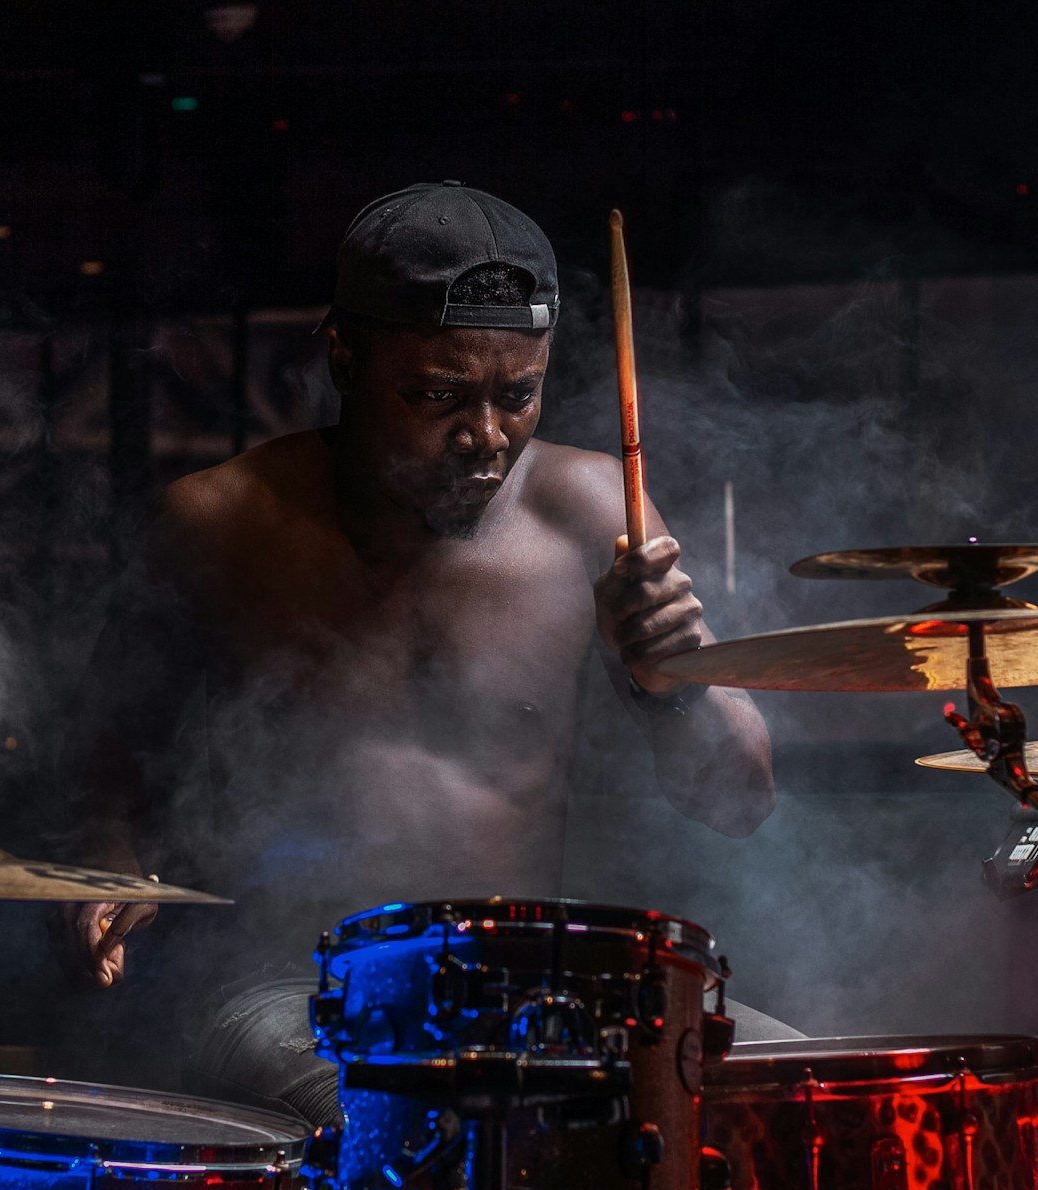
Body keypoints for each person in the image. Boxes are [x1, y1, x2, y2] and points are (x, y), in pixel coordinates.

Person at [58, 182, 790, 1120]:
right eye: (438, 396)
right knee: (418, 1128)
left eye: (517, 397)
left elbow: (741, 802)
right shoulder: (218, 524)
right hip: (290, 988)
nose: (485, 437)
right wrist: (107, 866)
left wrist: (671, 685)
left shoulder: (592, 514)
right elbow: (103, 765)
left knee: (798, 1091)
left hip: (531, 983)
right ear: (343, 357)